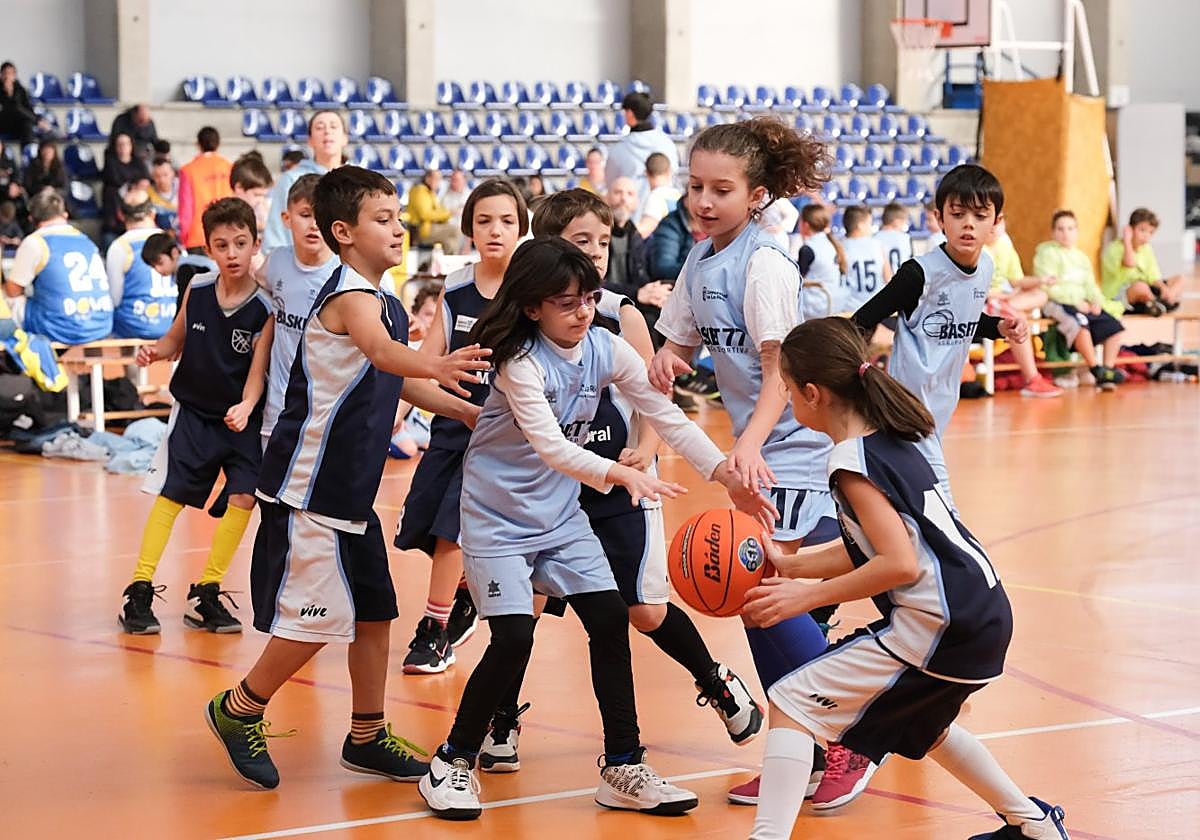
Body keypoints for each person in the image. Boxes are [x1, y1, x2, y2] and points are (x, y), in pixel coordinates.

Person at [416, 237, 775, 821]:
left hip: (560, 518)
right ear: (533, 307)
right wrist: (620, 474)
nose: (583, 312)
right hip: (497, 521)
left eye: (588, 299)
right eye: (567, 303)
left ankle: (623, 765)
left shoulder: (604, 347)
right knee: (512, 638)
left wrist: (722, 474)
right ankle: (451, 761)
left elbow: (664, 414)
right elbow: (552, 447)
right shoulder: (519, 361)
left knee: (610, 619)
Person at [205, 166, 489, 790]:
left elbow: (398, 380)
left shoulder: (384, 300)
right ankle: (238, 709)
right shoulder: (349, 298)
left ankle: (365, 736)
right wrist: (441, 362)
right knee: (314, 619)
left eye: (397, 217)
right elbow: (390, 355)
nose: (398, 228)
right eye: (382, 220)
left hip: (350, 494)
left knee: (375, 613)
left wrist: (467, 408)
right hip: (312, 488)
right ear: (343, 231)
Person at [741, 315, 1071, 840]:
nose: (787, 401)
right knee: (924, 725)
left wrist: (803, 600)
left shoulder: (849, 462)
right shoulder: (888, 439)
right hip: (983, 612)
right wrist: (792, 565)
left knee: (790, 701)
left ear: (811, 393)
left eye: (786, 391)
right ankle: (1034, 826)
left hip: (940, 623)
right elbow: (874, 547)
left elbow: (899, 564)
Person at [647, 117, 874, 811]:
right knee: (758, 601)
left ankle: (848, 740)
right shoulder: (700, 258)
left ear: (757, 196)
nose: (704, 200)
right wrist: (667, 357)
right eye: (695, 186)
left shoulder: (764, 261)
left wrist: (747, 445)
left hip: (800, 450)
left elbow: (784, 368)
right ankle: (802, 751)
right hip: (764, 453)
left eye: (722, 189)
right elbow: (678, 342)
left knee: (767, 596)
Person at [117, 197, 273, 636]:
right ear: (208, 249)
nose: (232, 253)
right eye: (221, 245)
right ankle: (140, 589)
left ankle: (207, 591)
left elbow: (258, 368)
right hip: (194, 416)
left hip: (242, 418)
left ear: (254, 244)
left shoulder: (266, 305)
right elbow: (173, 339)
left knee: (244, 498)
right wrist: (154, 351)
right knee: (171, 498)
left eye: (240, 243)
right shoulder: (199, 289)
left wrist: (246, 406)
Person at [396, 178, 528, 674]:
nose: (495, 230)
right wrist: (426, 406)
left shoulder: (533, 289)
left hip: (512, 435)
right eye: (484, 221)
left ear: (523, 228)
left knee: (453, 525)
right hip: (458, 425)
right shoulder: (457, 289)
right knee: (434, 526)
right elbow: (422, 369)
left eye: (507, 221)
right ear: (469, 228)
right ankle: (464, 598)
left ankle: (434, 630)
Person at [853, 164, 1029, 507]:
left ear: (996, 223)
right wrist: (857, 377)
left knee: (898, 499)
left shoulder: (987, 268)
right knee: (940, 501)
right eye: (958, 214)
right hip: (907, 402)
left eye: (980, 216)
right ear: (939, 218)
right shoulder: (919, 274)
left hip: (942, 402)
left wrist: (998, 327)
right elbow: (863, 319)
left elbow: (963, 318)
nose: (968, 224)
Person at [258, 173, 339, 451]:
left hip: (324, 411)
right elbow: (254, 291)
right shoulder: (276, 262)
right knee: (267, 491)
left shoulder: (344, 274)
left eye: (321, 215)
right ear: (286, 218)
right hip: (278, 408)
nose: (314, 225)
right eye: (305, 214)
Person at [3, 189, 112, 344]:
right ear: (65, 215)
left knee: (9, 303)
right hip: (101, 324)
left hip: (60, 327)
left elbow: (13, 290)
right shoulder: (87, 240)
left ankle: (20, 361)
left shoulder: (35, 241)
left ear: (31, 219)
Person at [1034, 209, 1126, 391]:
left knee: (1114, 328)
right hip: (1058, 302)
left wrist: (1096, 302)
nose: (1065, 233)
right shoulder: (1046, 253)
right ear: (1053, 232)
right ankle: (1095, 368)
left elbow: (1091, 285)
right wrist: (1075, 302)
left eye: (1070, 228)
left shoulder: (1081, 257)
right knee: (1080, 323)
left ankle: (1107, 369)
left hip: (1082, 303)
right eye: (1060, 229)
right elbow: (1048, 287)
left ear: (1076, 231)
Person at [982, 218, 1061, 398]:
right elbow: (976, 290)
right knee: (1017, 320)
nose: (994, 227)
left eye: (999, 222)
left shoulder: (1004, 245)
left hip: (1005, 298)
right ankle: (1032, 379)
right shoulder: (976, 249)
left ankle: (1008, 306)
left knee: (1041, 294)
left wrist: (1040, 280)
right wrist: (1002, 296)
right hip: (986, 300)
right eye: (989, 221)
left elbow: (1016, 280)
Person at [262, 111, 348, 254]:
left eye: (333, 127)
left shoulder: (358, 180)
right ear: (310, 140)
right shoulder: (290, 179)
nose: (327, 132)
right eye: (320, 127)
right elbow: (276, 235)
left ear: (345, 138)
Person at [108, 193, 176, 339]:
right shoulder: (170, 241)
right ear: (152, 213)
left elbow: (115, 298)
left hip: (134, 326)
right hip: (171, 322)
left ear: (121, 215)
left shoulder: (120, 246)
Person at [1101, 207, 1185, 316]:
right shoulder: (1114, 248)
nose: (1146, 236)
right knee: (1140, 287)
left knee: (1180, 279)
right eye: (1142, 230)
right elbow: (1130, 263)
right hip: (1120, 295)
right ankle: (1159, 304)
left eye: (1151, 232)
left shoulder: (1146, 249)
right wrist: (1127, 241)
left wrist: (1164, 288)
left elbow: (1153, 276)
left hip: (1145, 290)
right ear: (1130, 229)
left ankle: (1160, 302)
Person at [605, 92, 678, 212]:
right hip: (663, 212)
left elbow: (612, 183)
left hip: (630, 215)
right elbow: (673, 175)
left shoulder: (619, 149)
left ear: (629, 114)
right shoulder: (667, 143)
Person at [177, 127, 232, 251]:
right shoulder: (229, 167)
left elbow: (186, 206)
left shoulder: (188, 170)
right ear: (218, 144)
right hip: (226, 234)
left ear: (198, 144)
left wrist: (183, 235)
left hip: (198, 235)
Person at [604, 176, 652, 301]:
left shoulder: (638, 239)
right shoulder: (595, 235)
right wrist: (635, 293)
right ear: (606, 198)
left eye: (629, 194)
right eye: (617, 192)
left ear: (636, 203)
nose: (623, 199)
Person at [837, 205, 892, 314]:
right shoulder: (876, 245)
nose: (871, 228)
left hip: (848, 311)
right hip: (876, 308)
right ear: (860, 225)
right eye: (869, 224)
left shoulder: (839, 247)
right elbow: (888, 278)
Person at [796, 203, 847, 320]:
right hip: (837, 302)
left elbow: (797, 280)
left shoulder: (808, 248)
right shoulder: (832, 242)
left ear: (805, 225)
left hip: (818, 306)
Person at [101, 133, 150, 246]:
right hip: (114, 227)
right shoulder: (110, 166)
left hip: (138, 224)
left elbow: (146, 180)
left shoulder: (139, 163)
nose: (123, 147)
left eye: (126, 144)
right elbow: (114, 180)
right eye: (120, 144)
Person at [407, 168, 460, 252]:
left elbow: (438, 211)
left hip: (430, 228)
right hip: (421, 231)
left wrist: (447, 214)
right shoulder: (419, 191)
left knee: (449, 242)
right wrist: (449, 213)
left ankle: (450, 263)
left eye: (440, 179)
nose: (438, 182)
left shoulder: (430, 192)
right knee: (455, 230)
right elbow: (425, 215)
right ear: (428, 179)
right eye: (437, 179)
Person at [228, 152, 274, 242]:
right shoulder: (225, 214)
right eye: (257, 195)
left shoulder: (260, 209)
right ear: (239, 188)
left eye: (264, 196)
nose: (260, 200)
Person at [635, 152, 681, 239]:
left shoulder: (655, 197)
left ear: (646, 173)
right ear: (669, 171)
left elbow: (644, 230)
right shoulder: (678, 195)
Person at [0, 62, 45, 145]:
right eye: (5, 73)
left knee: (27, 126)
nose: (7, 77)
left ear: (14, 76)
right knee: (16, 109)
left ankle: (27, 154)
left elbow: (28, 108)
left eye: (10, 73)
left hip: (17, 123)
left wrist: (36, 119)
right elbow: (12, 108)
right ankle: (38, 122)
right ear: (1, 75)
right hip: (3, 123)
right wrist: (9, 93)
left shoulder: (20, 90)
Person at [875, 202, 913, 275]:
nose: (905, 224)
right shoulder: (906, 238)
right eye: (903, 221)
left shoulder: (874, 238)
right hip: (903, 281)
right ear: (897, 222)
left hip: (882, 283)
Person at [147, 155, 179, 234]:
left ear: (173, 173)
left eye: (165, 175)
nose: (162, 180)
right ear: (152, 176)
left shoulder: (183, 187)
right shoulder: (148, 194)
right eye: (157, 176)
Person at [441, 168, 470, 236]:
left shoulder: (470, 195)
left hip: (466, 231)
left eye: (457, 180)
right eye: (453, 180)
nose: (454, 182)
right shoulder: (445, 197)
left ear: (464, 180)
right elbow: (442, 216)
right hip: (450, 231)